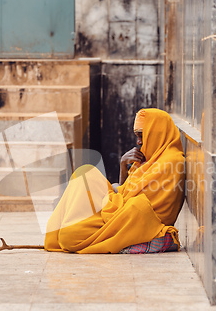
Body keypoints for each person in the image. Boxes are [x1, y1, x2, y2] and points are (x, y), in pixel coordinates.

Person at [44, 108, 185, 253]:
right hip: (120, 213)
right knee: (84, 173)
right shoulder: (149, 158)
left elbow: (136, 205)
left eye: (142, 136)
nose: (138, 142)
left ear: (157, 133)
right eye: (137, 136)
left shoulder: (172, 161)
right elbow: (124, 190)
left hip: (137, 221)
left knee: (70, 236)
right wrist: (123, 166)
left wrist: (109, 196)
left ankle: (74, 233)